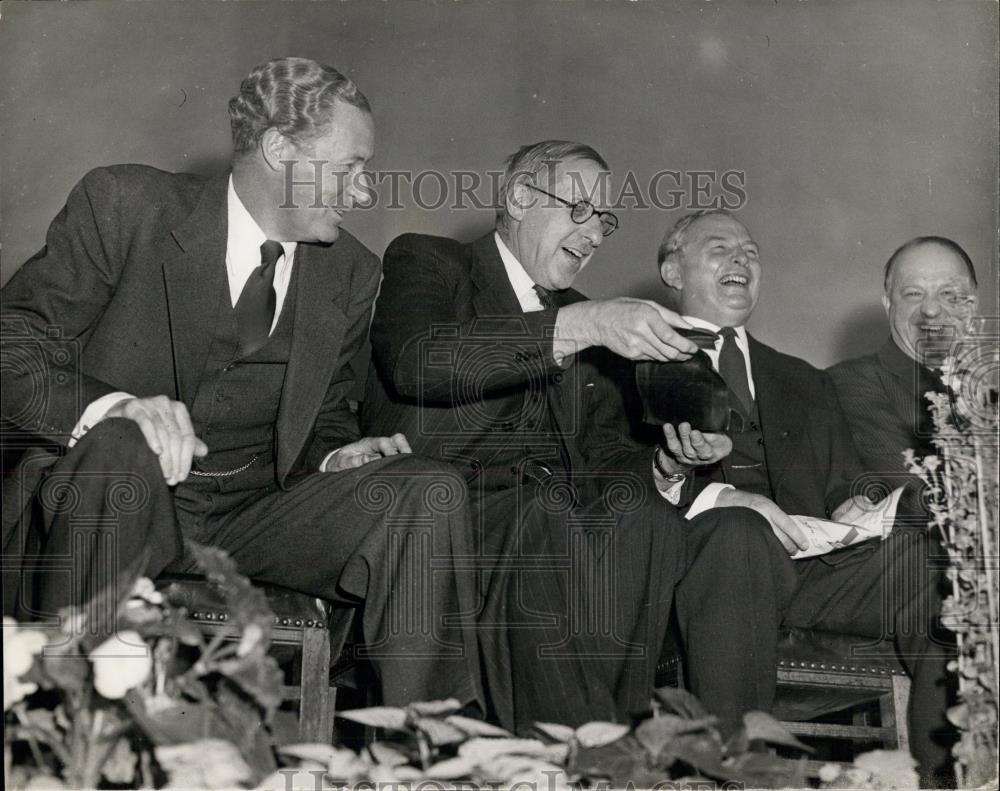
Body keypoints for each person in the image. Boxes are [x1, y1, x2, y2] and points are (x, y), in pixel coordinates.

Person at [0, 57, 482, 710]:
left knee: (427, 489)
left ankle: (430, 752)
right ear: (281, 149)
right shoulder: (127, 205)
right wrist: (117, 408)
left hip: (254, 515)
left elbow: (326, 421)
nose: (364, 193)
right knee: (122, 450)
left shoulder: (351, 272)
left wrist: (340, 454)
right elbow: (13, 343)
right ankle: (83, 743)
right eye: (348, 168)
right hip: (115, 497)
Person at [362, 140, 772, 732]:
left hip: (551, 534)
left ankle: (603, 737)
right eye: (578, 209)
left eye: (604, 220)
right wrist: (579, 325)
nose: (594, 233)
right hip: (439, 520)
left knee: (649, 519)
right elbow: (418, 361)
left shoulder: (590, 316)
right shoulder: (431, 261)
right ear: (521, 197)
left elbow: (604, 457)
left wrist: (667, 463)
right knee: (550, 520)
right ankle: (588, 759)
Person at [655, 209, 955, 786]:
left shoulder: (802, 378)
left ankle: (952, 776)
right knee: (738, 532)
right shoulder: (633, 360)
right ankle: (740, 779)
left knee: (934, 559)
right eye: (720, 249)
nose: (742, 260)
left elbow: (846, 484)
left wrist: (864, 504)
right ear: (672, 269)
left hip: (814, 570)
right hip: (700, 566)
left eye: (751, 251)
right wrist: (724, 497)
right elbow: (617, 478)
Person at [828, 237, 978, 514]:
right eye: (913, 293)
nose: (931, 309)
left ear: (970, 308)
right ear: (888, 304)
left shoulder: (985, 399)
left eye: (950, 295)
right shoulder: (853, 383)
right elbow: (921, 498)